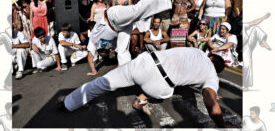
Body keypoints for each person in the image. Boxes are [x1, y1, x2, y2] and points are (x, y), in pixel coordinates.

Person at [56, 47, 226, 128]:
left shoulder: (197, 50)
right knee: (167, 89)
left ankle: (67, 104)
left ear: (210, 56)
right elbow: (210, 101)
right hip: (159, 86)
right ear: (216, 69)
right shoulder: (212, 76)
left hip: (147, 62)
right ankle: (141, 100)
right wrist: (222, 126)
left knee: (101, 83)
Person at [85, 0, 193, 71]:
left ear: (98, 51)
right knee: (122, 52)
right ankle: (126, 76)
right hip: (120, 29)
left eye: (102, 51)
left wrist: (94, 71)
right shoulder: (111, 47)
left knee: (137, 10)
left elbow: (90, 57)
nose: (104, 52)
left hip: (111, 17)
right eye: (105, 53)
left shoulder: (93, 41)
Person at [243, 13, 271, 91]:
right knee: (246, 66)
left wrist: (263, 17)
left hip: (247, 45)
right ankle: (246, 85)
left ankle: (262, 41)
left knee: (256, 28)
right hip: (240, 48)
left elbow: (254, 22)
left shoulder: (243, 25)